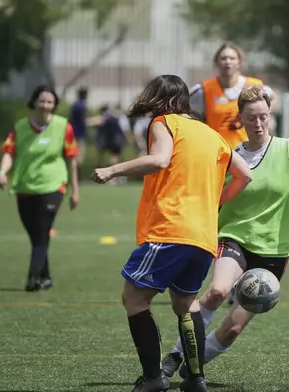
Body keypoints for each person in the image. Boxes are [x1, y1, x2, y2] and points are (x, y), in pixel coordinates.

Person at [161, 84, 289, 379]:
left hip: (274, 251)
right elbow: (210, 196)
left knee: (232, 328)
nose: (258, 124)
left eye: (263, 117)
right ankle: (176, 352)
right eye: (251, 118)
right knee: (218, 291)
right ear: (241, 119)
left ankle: (192, 370)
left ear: (270, 115)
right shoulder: (230, 156)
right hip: (235, 237)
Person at [91, 74, 252, 392]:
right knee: (186, 303)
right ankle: (195, 379)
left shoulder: (164, 122)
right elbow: (244, 174)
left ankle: (153, 378)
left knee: (135, 298)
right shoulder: (209, 133)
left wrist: (112, 169)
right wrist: (214, 204)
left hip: (170, 230)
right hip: (203, 237)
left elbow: (161, 159)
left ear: (162, 99)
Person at [0, 85, 80, 292]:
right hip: (25, 187)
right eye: (42, 101)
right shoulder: (20, 127)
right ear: (34, 102)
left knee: (42, 233)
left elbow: (72, 161)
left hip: (53, 186)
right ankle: (46, 277)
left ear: (54, 105)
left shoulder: (63, 127)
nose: (45, 105)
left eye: (50, 101)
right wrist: (2, 172)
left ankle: (32, 278)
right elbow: (9, 152)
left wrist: (74, 190)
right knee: (36, 237)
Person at [190, 42, 277, 150]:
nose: (228, 62)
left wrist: (263, 114)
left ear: (239, 62)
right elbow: (185, 110)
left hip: (249, 151)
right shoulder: (204, 89)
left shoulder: (253, 85)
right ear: (216, 62)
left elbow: (273, 98)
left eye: (232, 58)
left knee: (272, 123)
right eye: (223, 58)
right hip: (217, 152)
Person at [70, 86, 89, 165]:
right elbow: (83, 120)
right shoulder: (82, 106)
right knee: (79, 157)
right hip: (80, 134)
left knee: (74, 155)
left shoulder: (75, 105)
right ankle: (76, 176)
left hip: (73, 132)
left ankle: (75, 175)